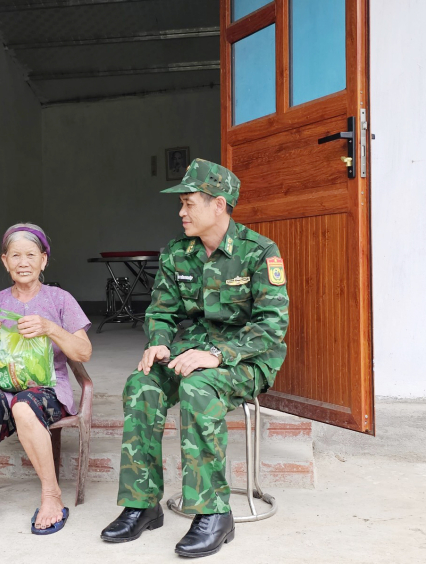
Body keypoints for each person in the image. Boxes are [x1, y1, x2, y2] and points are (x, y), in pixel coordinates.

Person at [99, 159, 289, 558]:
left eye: (188, 203)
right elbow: (162, 312)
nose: (181, 212)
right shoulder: (177, 253)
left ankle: (214, 514)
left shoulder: (259, 253)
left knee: (198, 388)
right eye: (181, 204)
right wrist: (160, 342)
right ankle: (141, 504)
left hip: (246, 361)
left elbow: (272, 326)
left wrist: (216, 355)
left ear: (218, 205)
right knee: (143, 383)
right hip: (193, 353)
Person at [0, 223, 92, 534]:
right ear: (4, 261)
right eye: (16, 255)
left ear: (44, 260)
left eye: (31, 255)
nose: (23, 262)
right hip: (1, 388)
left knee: (24, 405)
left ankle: (52, 496)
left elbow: (83, 352)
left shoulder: (59, 300)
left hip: (47, 390)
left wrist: (50, 328)